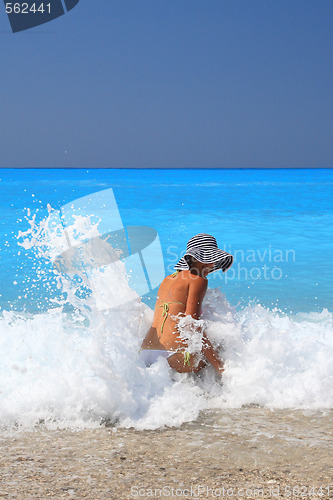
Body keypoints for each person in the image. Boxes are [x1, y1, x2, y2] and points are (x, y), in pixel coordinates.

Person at [140, 233, 234, 375]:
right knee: (222, 345)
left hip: (146, 353)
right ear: (197, 259)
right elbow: (191, 325)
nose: (213, 264)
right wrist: (220, 366)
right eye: (210, 258)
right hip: (175, 355)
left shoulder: (167, 279)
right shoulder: (198, 279)